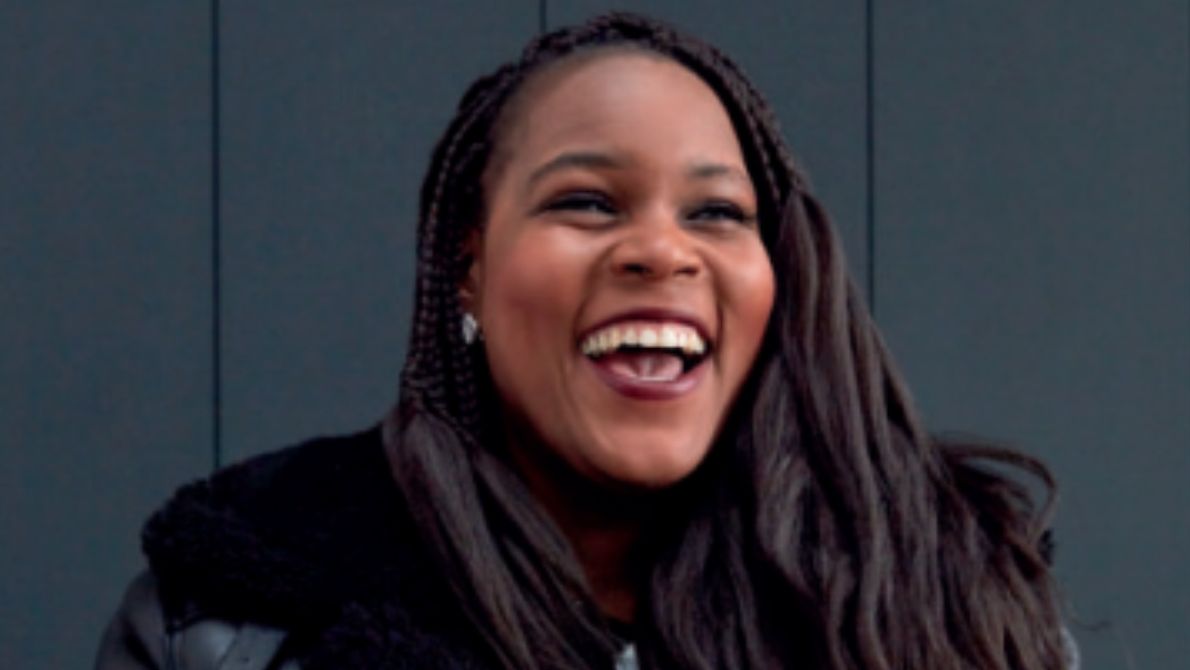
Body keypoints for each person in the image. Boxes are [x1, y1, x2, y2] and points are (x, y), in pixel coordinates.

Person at [96, 12, 1075, 670]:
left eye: (718, 212)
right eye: (584, 200)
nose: (659, 248)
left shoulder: (948, 601)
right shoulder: (232, 610)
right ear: (468, 270)